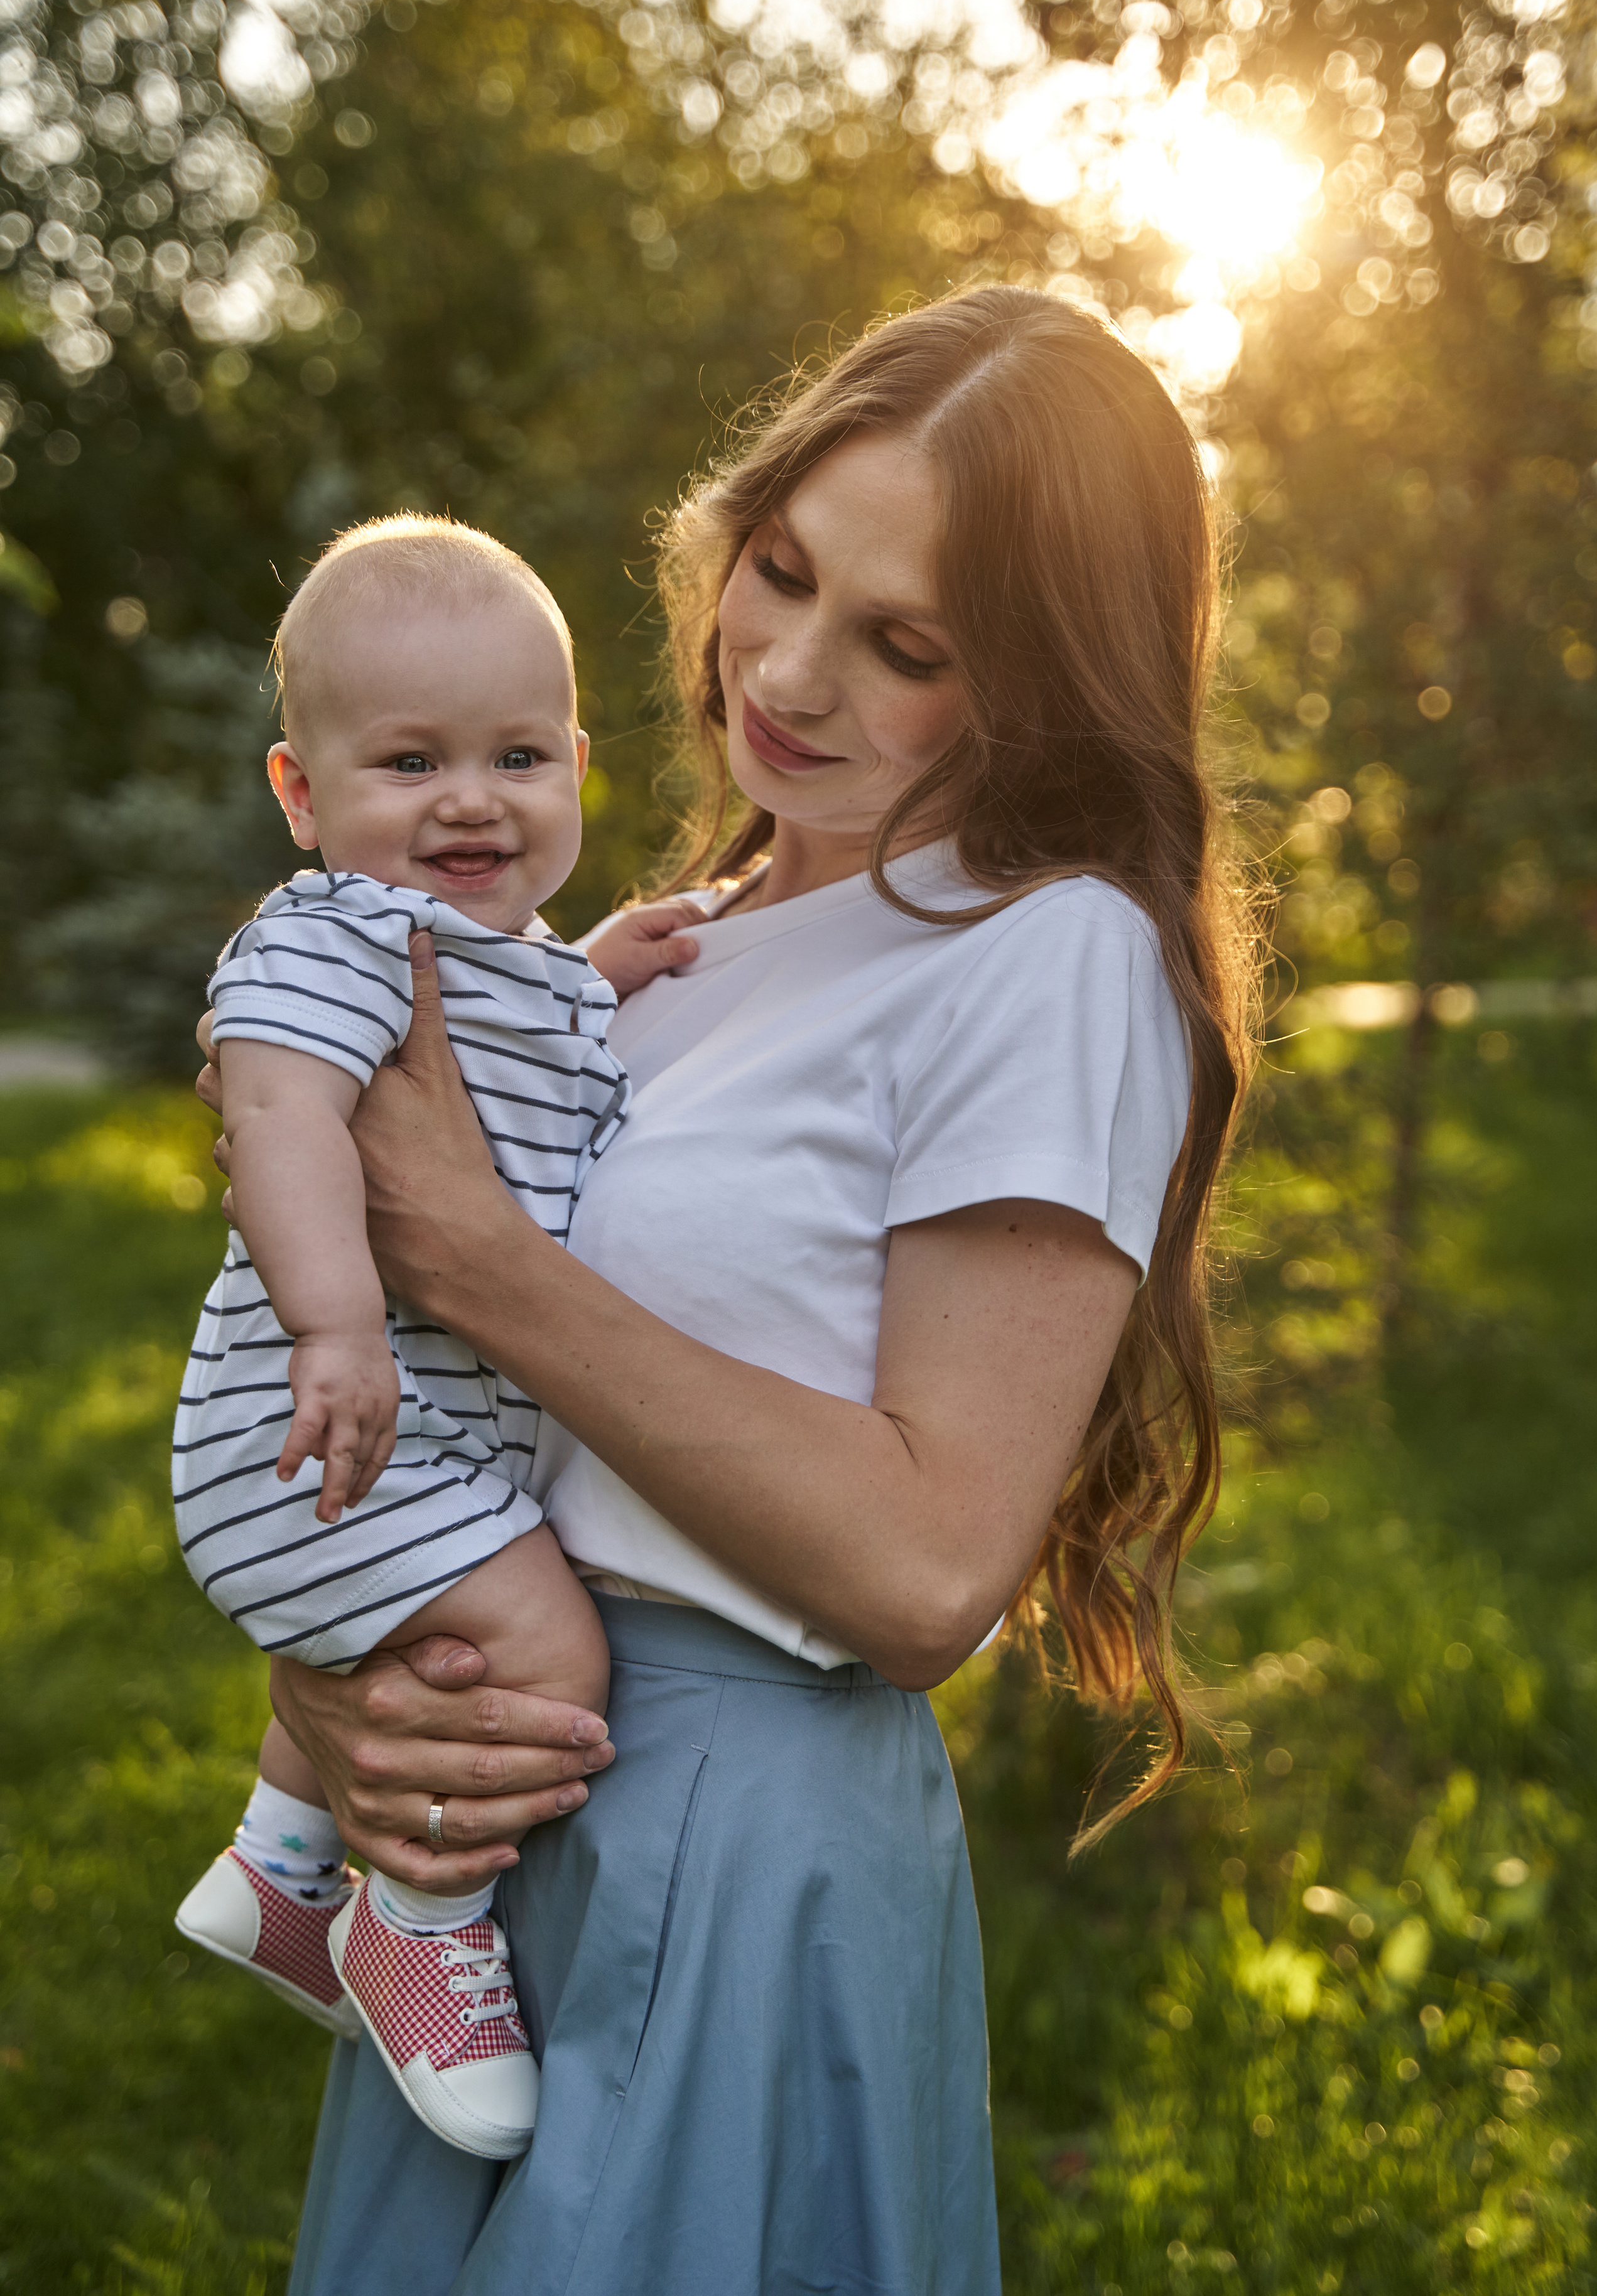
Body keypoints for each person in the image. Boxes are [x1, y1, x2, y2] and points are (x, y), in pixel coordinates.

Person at [197, 285, 1255, 2295]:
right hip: (501, 1811)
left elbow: (937, 1567)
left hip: (726, 1834)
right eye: (781, 572)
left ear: (1041, 682)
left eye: (905, 646)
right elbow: (472, 1381)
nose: (787, 668)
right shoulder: (713, 914)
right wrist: (343, 1684)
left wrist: (480, 1258)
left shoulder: (1050, 956)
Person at [171, 515, 700, 2161]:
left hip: (405, 1430)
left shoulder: (501, 958)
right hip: (323, 1420)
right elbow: (274, 1114)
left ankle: (277, 1866)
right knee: (544, 1653)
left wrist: (593, 973)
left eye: (517, 755)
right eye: (411, 761)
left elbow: (513, 1041)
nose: (473, 798)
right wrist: (336, 1328)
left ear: (578, 766)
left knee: (438, 1620)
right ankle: (416, 1915)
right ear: (303, 797)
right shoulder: (331, 939)